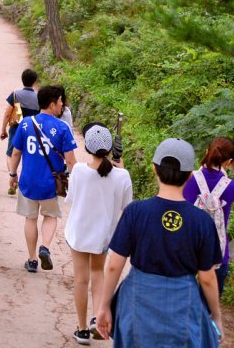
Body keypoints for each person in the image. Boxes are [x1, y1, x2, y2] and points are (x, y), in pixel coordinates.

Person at [95, 138, 223, 348]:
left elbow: (113, 265)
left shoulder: (136, 212)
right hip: (184, 302)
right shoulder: (202, 221)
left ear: (155, 169)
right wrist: (216, 316)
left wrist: (104, 306)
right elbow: (207, 278)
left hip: (139, 297)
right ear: (190, 176)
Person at [65, 123, 133, 345]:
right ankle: (97, 317)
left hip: (79, 233)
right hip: (104, 235)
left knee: (81, 280)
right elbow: (126, 206)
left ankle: (82, 329)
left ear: (88, 148)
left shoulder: (78, 171)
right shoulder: (122, 176)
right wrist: (120, 166)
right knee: (98, 274)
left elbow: (72, 199)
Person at [7, 84, 77, 272]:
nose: (62, 105)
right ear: (53, 104)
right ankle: (45, 247)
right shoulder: (62, 127)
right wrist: (77, 181)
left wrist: (13, 174)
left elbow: (16, 153)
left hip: (28, 181)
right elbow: (70, 160)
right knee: (50, 216)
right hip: (50, 184)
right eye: (61, 101)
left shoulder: (26, 123)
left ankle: (31, 260)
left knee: (30, 219)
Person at [183, 136, 234, 294]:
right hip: (217, 253)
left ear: (207, 152)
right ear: (228, 161)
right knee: (208, 308)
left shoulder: (189, 178)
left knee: (181, 299)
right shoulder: (231, 186)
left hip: (186, 249)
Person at [0, 69, 40, 192]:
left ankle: (13, 176)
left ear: (22, 79)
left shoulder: (15, 94)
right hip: (32, 130)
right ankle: (28, 182)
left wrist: (3, 129)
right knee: (29, 155)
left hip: (16, 128)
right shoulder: (39, 97)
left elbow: (7, 113)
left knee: (11, 154)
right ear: (34, 82)